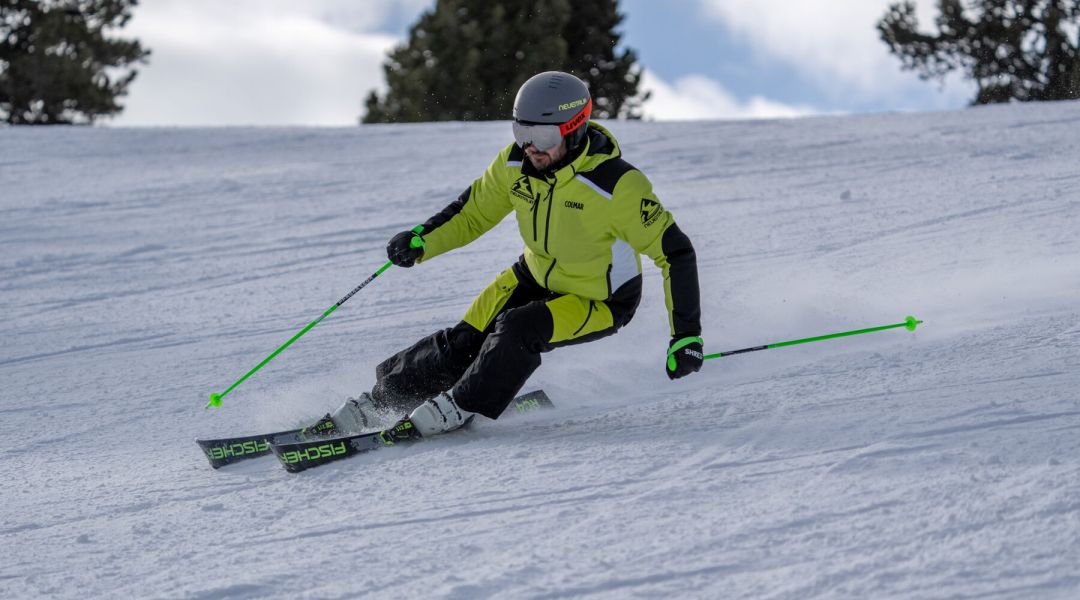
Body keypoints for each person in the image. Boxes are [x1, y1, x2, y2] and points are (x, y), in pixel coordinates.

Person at [329, 71, 703, 440]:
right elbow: (472, 213)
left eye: (542, 135)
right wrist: (421, 240)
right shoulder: (515, 166)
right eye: (521, 132)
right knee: (463, 341)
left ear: (574, 129)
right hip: (533, 274)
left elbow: (675, 253)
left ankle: (463, 405)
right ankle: (380, 402)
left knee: (519, 329)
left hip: (600, 298)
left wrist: (686, 336)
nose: (530, 146)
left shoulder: (616, 186)